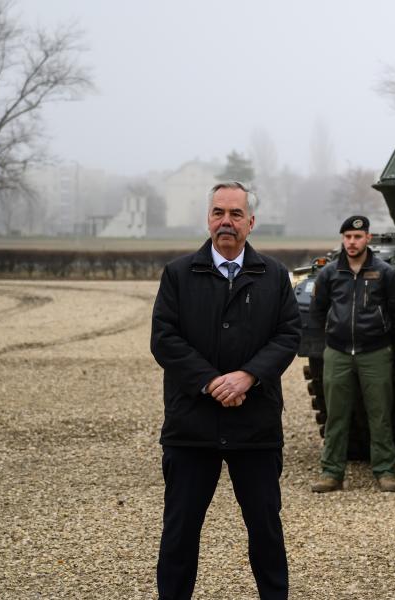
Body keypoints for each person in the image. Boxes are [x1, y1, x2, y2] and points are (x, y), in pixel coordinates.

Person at [150, 181, 301, 600]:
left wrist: (248, 376)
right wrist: (211, 380)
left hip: (255, 427)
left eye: (236, 214)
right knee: (179, 533)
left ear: (251, 222)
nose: (226, 222)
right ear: (208, 219)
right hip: (191, 426)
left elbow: (288, 335)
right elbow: (164, 338)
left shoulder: (273, 276)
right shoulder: (179, 274)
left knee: (266, 532)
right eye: (219, 213)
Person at [309, 215, 395, 493]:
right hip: (338, 352)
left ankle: (385, 471)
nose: (352, 242)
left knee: (379, 414)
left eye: (357, 237)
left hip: (374, 352)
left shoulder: (385, 273)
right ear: (343, 239)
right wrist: (327, 341)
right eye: (348, 237)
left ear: (367, 238)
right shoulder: (330, 273)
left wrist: (387, 340)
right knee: (337, 415)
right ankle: (332, 472)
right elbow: (317, 310)